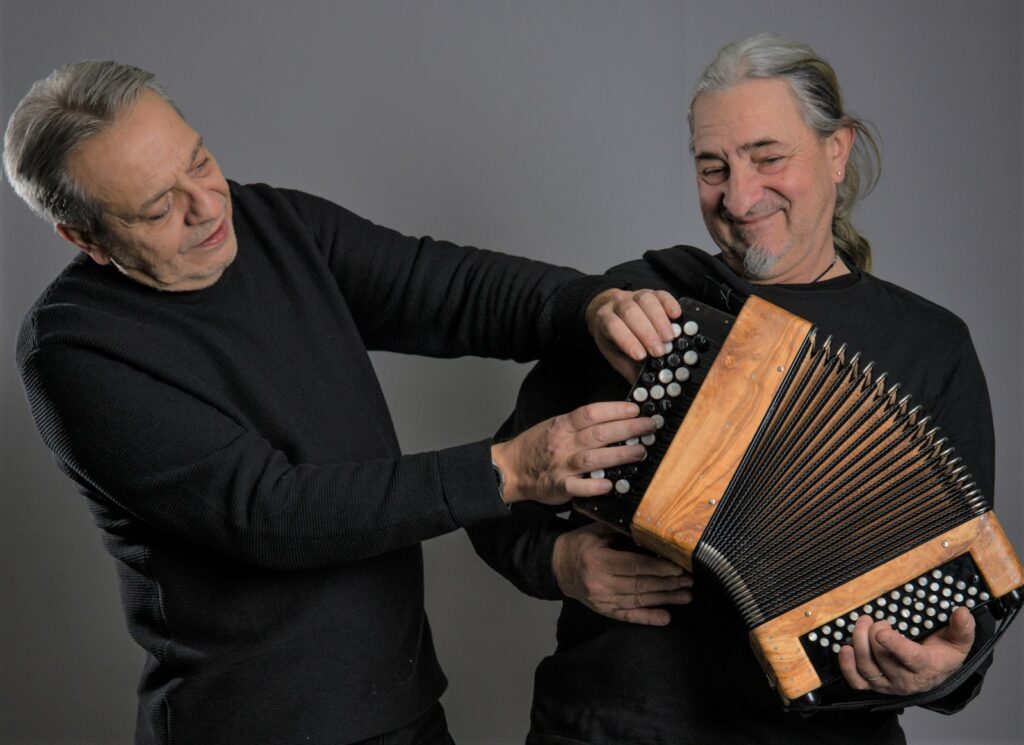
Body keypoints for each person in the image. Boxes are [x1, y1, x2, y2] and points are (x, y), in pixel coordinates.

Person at [3, 61, 680, 745]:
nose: (207, 205)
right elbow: (268, 513)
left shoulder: (272, 225)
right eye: (157, 207)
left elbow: (445, 290)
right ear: (84, 236)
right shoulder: (73, 350)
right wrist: (507, 470)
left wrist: (592, 304)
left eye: (200, 161)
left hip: (400, 705)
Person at [469, 33, 995, 744]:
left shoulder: (929, 346)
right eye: (712, 167)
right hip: (607, 725)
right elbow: (492, 492)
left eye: (768, 157)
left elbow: (963, 615)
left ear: (836, 152)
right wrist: (558, 561)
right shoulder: (642, 303)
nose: (739, 196)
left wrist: (939, 671)